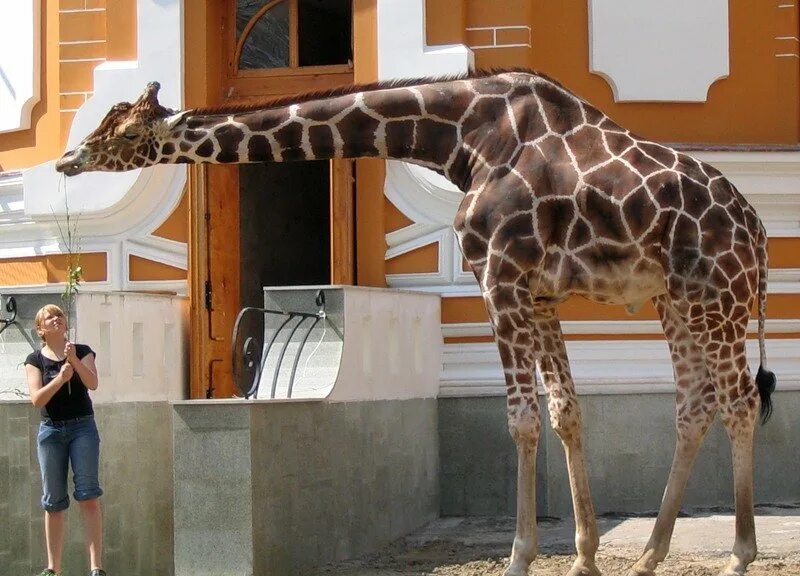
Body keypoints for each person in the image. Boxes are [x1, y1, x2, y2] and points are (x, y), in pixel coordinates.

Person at [24, 304, 105, 576]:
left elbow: (92, 384)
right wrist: (60, 379)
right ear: (41, 330)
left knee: (88, 495)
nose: (56, 318)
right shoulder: (34, 359)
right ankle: (53, 569)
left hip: (83, 427)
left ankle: (96, 568)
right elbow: (37, 400)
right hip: (51, 432)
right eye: (50, 317)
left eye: (59, 315)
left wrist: (75, 361)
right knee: (54, 501)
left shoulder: (81, 351)